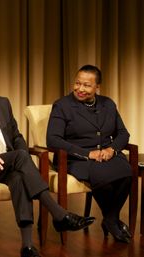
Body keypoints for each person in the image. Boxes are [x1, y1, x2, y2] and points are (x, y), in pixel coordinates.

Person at [0, 66, 95, 257]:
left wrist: (19, 155)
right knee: (21, 157)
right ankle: (59, 214)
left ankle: (27, 246)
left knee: (19, 178)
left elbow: (16, 136)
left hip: (6, 163)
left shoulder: (2, 103)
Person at [47, 64, 133, 243]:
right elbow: (53, 140)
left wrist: (112, 150)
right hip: (75, 158)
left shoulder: (107, 104)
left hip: (107, 155)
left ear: (97, 87)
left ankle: (109, 219)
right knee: (104, 178)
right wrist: (89, 154)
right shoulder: (62, 105)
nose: (80, 89)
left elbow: (123, 133)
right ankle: (112, 220)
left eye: (86, 85)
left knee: (126, 172)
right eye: (77, 83)